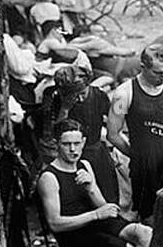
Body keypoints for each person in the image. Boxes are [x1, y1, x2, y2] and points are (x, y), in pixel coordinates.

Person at [105, 49, 163, 221]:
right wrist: (136, 153)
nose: (162, 77)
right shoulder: (122, 94)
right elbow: (112, 134)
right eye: (157, 73)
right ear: (143, 68)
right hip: (143, 165)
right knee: (148, 213)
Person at [36, 67, 117, 201]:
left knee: (107, 193)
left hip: (96, 152)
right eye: (73, 95)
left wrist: (112, 147)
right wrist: (65, 108)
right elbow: (51, 134)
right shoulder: (55, 99)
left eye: (82, 93)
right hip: (70, 156)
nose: (79, 98)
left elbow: (112, 121)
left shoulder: (98, 96)